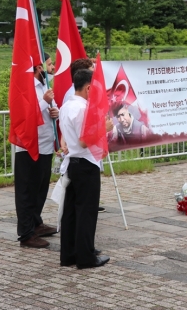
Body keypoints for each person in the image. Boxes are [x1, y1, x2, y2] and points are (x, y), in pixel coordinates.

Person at [58, 69, 110, 269]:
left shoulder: (66, 106)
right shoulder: (82, 109)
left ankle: (69, 254)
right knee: (86, 212)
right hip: (85, 163)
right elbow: (83, 142)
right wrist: (103, 129)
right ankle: (86, 257)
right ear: (88, 88)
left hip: (72, 163)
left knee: (71, 211)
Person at [14, 53, 60, 248]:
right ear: (38, 67)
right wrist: (43, 101)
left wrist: (55, 111)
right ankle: (25, 233)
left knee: (41, 186)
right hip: (28, 145)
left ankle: (36, 222)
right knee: (27, 190)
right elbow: (25, 115)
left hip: (45, 144)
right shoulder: (25, 88)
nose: (50, 68)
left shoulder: (43, 85)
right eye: (47, 65)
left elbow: (51, 108)